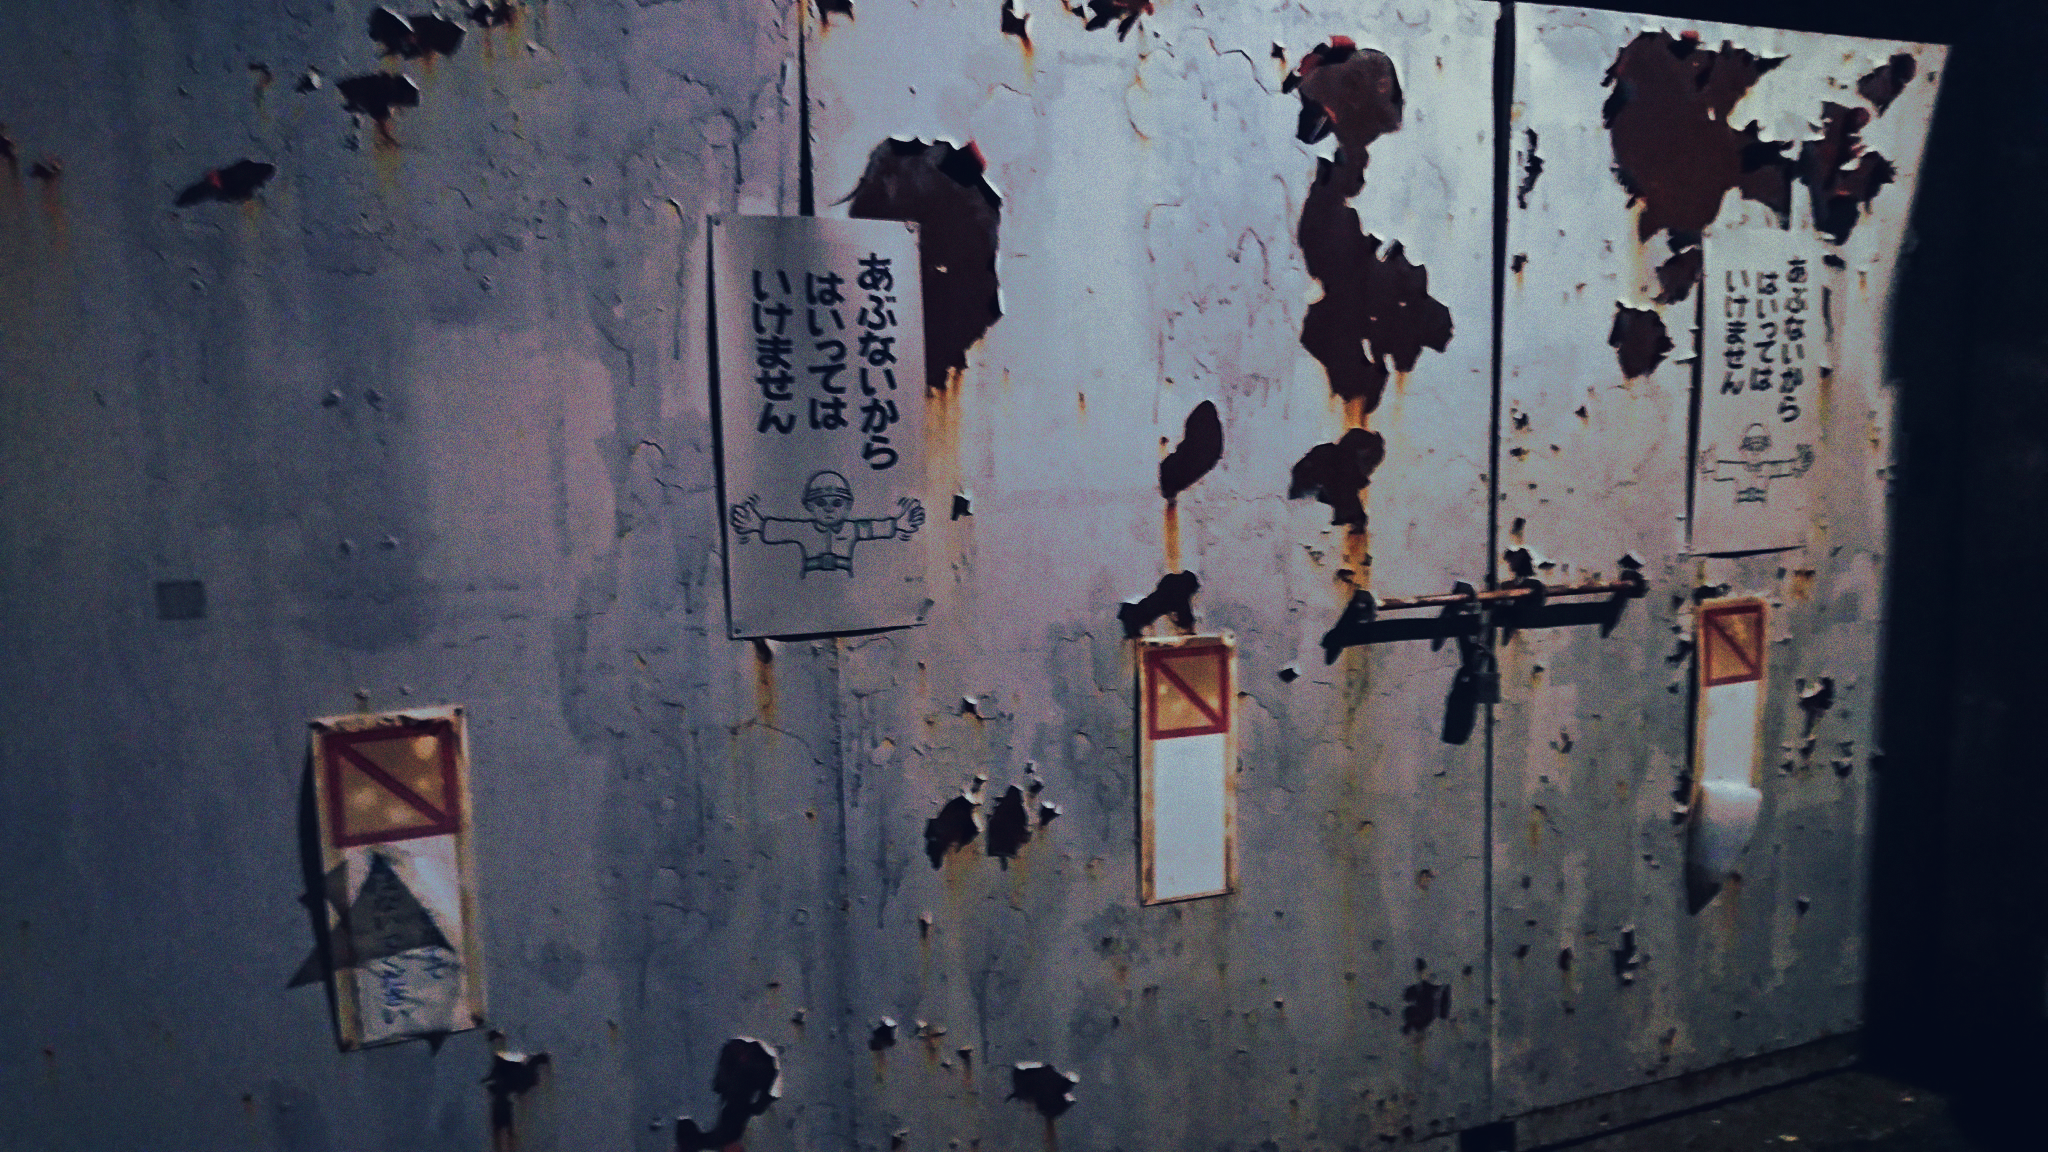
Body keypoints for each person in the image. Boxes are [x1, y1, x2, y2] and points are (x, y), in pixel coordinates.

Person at [729, 470, 924, 577]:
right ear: (809, 506)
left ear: (848, 507)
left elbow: (874, 528)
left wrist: (898, 524)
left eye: (837, 503)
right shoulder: (805, 530)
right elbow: (782, 529)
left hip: (846, 580)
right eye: (821, 503)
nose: (829, 509)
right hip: (809, 583)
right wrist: (756, 524)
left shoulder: (852, 529)